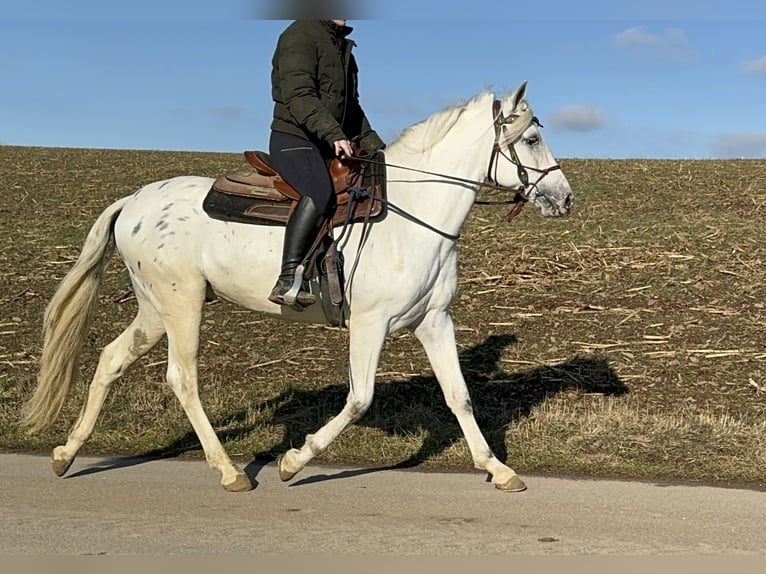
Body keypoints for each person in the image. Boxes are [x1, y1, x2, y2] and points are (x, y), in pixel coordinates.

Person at [267, 19, 385, 308]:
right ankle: (288, 276)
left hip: (329, 140)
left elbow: (352, 108)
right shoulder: (299, 34)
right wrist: (334, 134)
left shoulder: (343, 46)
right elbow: (298, 96)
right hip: (294, 137)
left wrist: (377, 147)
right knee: (320, 189)